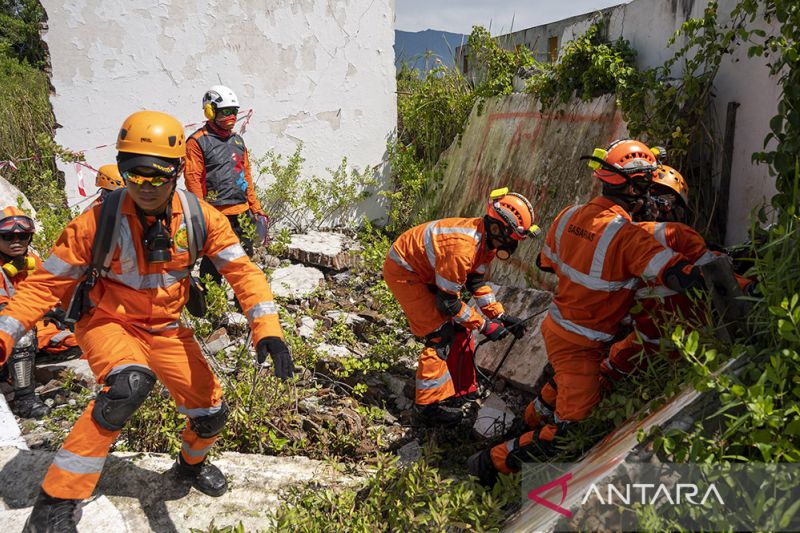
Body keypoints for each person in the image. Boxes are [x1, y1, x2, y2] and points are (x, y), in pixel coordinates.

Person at [0, 111, 294, 532]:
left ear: (177, 171)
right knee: (126, 387)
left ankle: (189, 468)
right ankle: (55, 502)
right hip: (109, 322)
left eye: (157, 177)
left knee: (211, 413)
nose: (145, 187)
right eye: (133, 175)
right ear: (121, 170)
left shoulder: (200, 218)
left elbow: (244, 272)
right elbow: (41, 286)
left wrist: (267, 330)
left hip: (167, 327)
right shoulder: (96, 223)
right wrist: (5, 336)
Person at [468, 140, 706, 485]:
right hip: (582, 342)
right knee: (569, 431)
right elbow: (677, 274)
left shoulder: (568, 216)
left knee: (560, 387)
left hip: (562, 329)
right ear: (636, 186)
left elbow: (544, 262)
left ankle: (523, 425)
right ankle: (490, 463)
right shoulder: (629, 237)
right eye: (647, 186)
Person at [383, 188, 539, 426]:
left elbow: (476, 282)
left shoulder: (486, 244)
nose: (512, 246)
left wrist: (501, 315)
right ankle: (427, 408)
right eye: (513, 239)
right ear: (498, 228)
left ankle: (462, 390)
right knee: (440, 334)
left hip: (426, 270)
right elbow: (448, 303)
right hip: (405, 271)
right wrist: (486, 326)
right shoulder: (463, 248)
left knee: (461, 330)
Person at [601, 165, 750, 381]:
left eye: (669, 204)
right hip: (680, 347)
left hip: (644, 343)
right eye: (662, 199)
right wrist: (750, 288)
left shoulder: (611, 238)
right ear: (641, 191)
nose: (662, 208)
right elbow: (717, 277)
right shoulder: (674, 236)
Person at [184, 85, 267, 291]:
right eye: (225, 112)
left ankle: (243, 307)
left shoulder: (238, 141)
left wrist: (255, 208)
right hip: (215, 215)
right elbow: (193, 179)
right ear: (211, 111)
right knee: (212, 265)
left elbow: (246, 176)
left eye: (234, 112)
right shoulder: (197, 142)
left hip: (242, 213)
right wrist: (202, 215)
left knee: (244, 262)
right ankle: (213, 310)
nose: (231, 117)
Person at [0, 206, 80, 419]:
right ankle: (24, 399)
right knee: (22, 335)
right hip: (7, 327)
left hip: (32, 321)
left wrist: (62, 312)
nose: (16, 241)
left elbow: (53, 292)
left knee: (75, 337)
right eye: (7, 236)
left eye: (23, 235)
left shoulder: (33, 260)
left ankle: (17, 368)